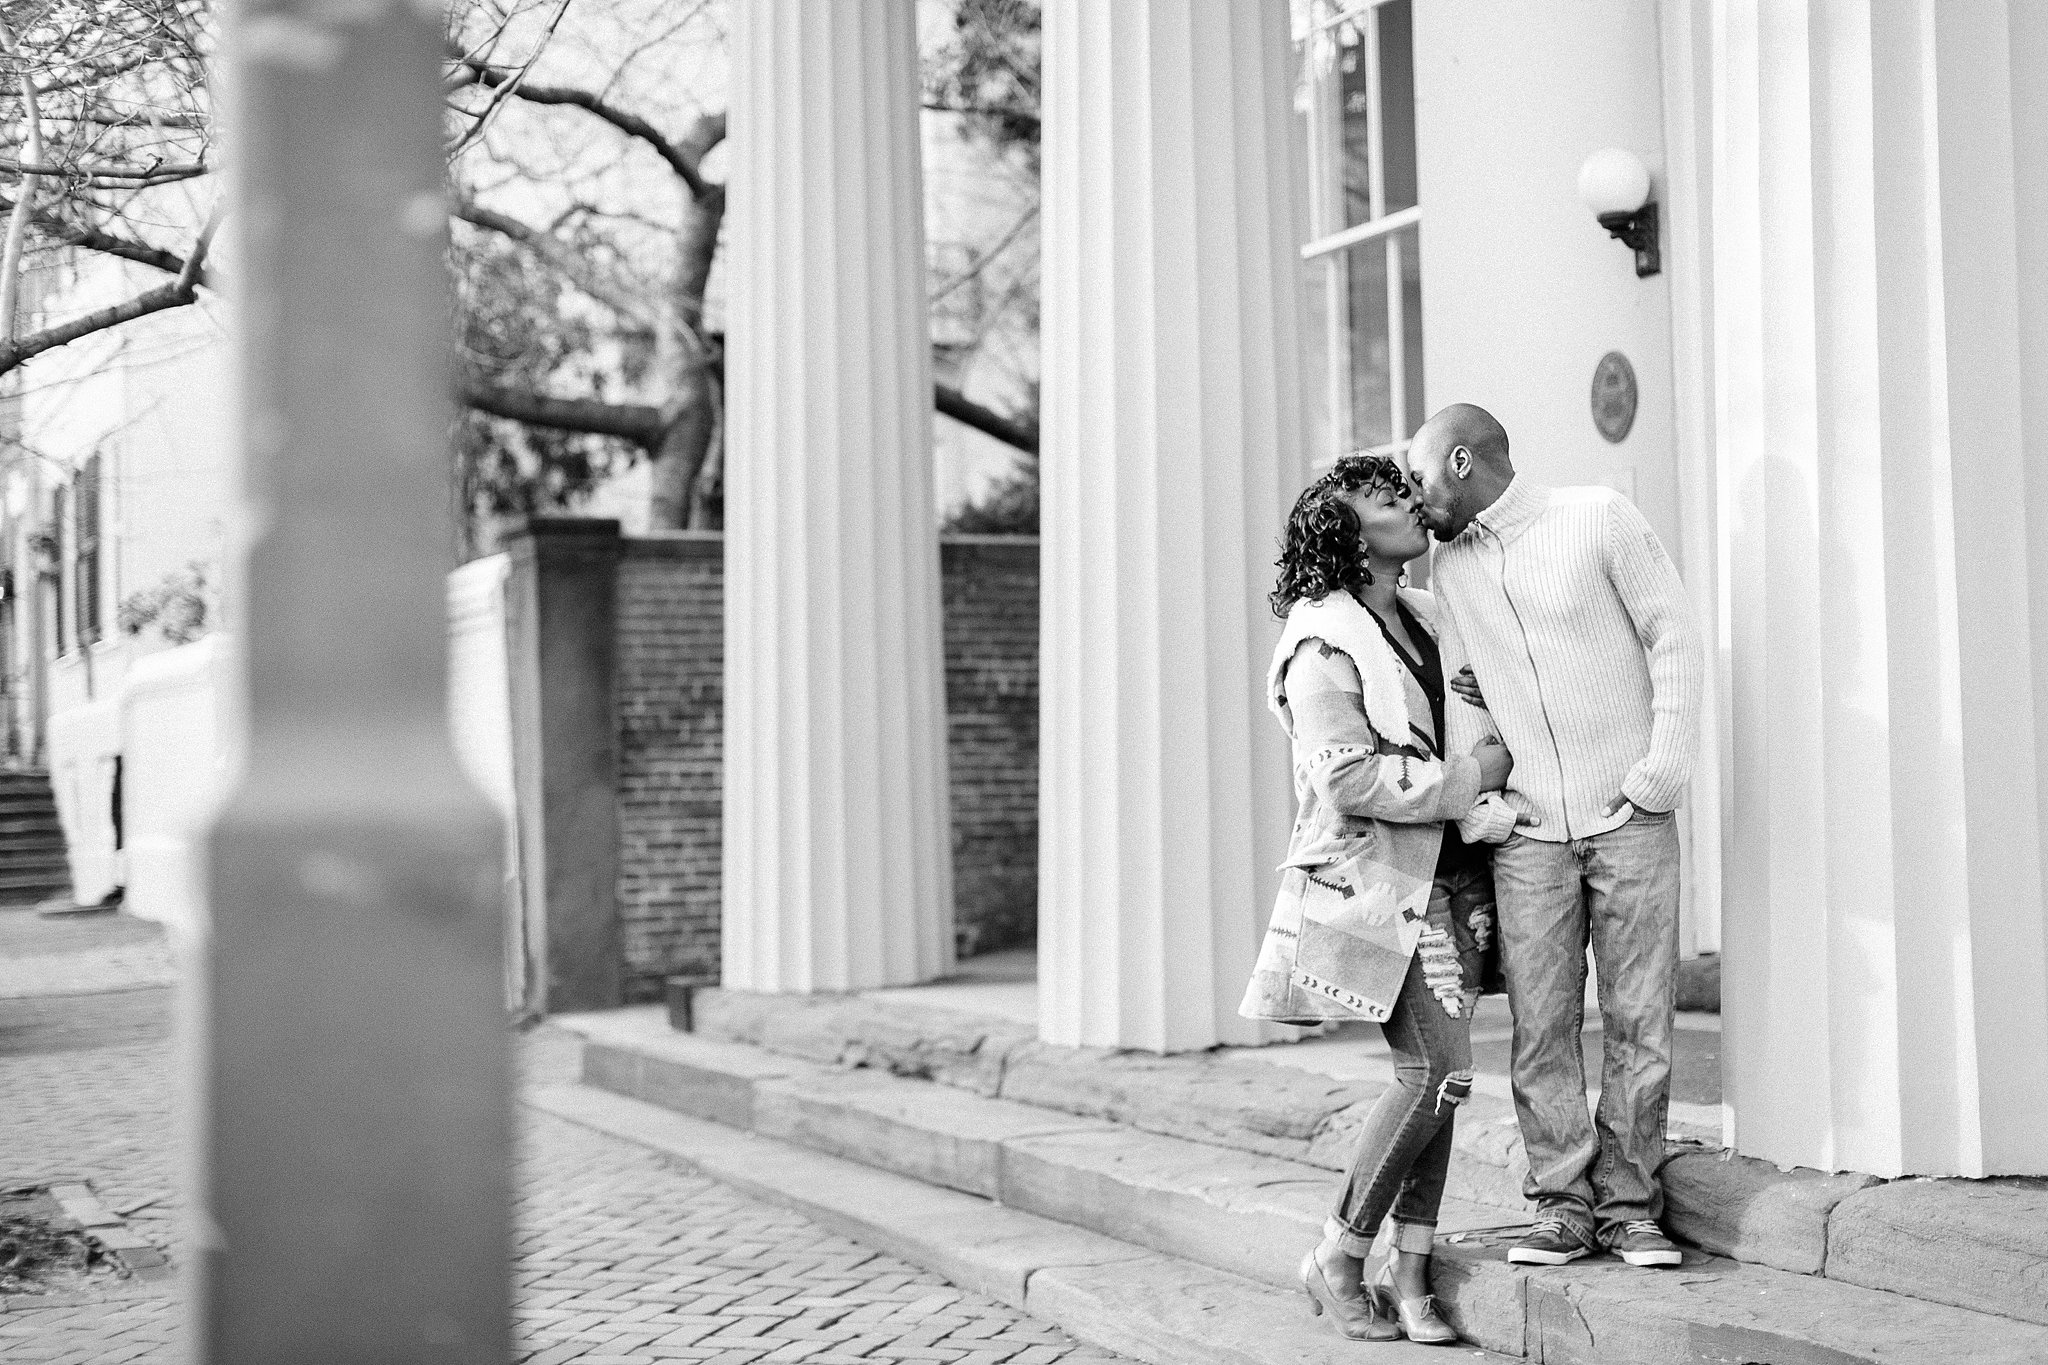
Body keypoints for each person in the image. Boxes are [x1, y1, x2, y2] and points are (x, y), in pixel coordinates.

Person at [1404, 403, 1704, 1270]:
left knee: (1641, 1021)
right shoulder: (1450, 567)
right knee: (1540, 1027)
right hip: (1528, 832)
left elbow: (1671, 636)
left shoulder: (1597, 517)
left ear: (1460, 461)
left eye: (1421, 478)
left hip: (1631, 819)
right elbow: (1467, 694)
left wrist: (1657, 778)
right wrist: (1482, 811)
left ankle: (1630, 1209)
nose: (1416, 500)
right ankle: (1562, 1206)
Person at [1240, 454, 1520, 1345]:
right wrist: (1469, 774)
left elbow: (1470, 707)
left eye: (1405, 489)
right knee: (1431, 1070)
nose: (1409, 502)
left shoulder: (1430, 616)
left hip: (1454, 875)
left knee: (1450, 1077)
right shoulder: (1323, 640)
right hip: (1378, 883)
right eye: (1387, 498)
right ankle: (1337, 1250)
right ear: (1349, 534)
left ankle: (1411, 1275)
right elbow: (1347, 775)